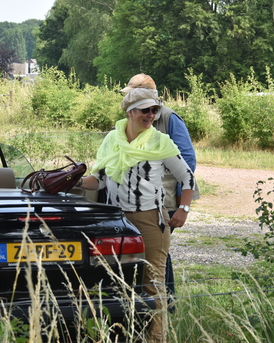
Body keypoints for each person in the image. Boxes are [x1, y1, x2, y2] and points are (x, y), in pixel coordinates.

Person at [77, 88, 195, 343]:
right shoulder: (112, 139)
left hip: (150, 220)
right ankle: (121, 336)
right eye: (146, 110)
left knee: (152, 285)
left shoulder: (160, 142)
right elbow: (98, 181)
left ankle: (156, 339)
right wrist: (71, 180)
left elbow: (187, 177)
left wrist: (183, 209)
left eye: (154, 110)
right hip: (115, 221)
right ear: (131, 113)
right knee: (115, 283)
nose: (151, 115)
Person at [120, 74, 198, 308]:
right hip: (137, 199)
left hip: (165, 199)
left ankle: (166, 303)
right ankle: (145, 303)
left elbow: (188, 159)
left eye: (131, 93)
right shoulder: (134, 118)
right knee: (146, 251)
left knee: (159, 254)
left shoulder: (169, 117)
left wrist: (180, 201)